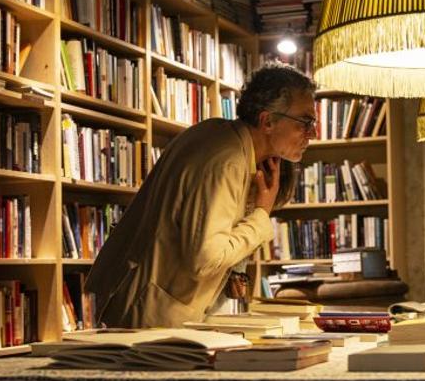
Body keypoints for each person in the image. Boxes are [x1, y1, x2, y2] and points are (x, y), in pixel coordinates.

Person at [85, 63, 316, 327]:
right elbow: (206, 260)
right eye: (305, 122)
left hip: (139, 300)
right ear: (268, 121)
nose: (313, 133)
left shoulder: (215, 132)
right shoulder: (228, 161)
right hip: (150, 317)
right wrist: (261, 215)